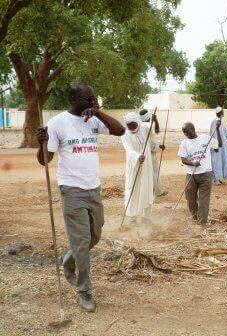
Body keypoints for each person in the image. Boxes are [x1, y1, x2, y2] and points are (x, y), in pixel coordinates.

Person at [36, 85, 125, 312]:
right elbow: (44, 160)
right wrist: (41, 144)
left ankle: (68, 260)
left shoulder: (93, 120)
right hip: (71, 189)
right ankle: (84, 291)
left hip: (93, 188)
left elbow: (120, 131)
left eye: (94, 97)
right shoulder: (58, 123)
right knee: (82, 242)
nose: (93, 101)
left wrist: (98, 112)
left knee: (95, 235)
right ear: (74, 99)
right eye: (89, 98)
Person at [178, 122, 219, 224]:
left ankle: (202, 223)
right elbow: (183, 160)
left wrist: (217, 129)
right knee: (190, 199)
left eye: (187, 130)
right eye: (184, 131)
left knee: (204, 200)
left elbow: (218, 145)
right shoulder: (184, 143)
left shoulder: (205, 138)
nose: (185, 133)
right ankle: (195, 217)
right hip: (191, 175)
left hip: (206, 174)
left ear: (193, 128)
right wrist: (192, 163)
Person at [121, 113, 154, 224]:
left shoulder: (144, 129)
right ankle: (132, 217)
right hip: (134, 165)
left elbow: (152, 127)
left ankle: (147, 217)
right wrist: (138, 156)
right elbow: (128, 150)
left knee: (146, 187)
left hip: (147, 165)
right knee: (133, 189)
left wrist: (155, 119)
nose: (131, 127)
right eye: (129, 125)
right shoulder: (125, 134)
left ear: (138, 122)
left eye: (133, 124)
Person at [139, 109, 168, 197]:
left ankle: (147, 191)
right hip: (149, 153)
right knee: (155, 171)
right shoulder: (148, 126)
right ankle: (159, 191)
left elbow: (150, 139)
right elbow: (157, 132)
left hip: (141, 153)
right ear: (149, 117)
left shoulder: (139, 126)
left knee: (145, 172)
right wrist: (156, 120)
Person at [210, 106, 227, 184]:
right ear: (220, 113)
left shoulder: (220, 121)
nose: (223, 113)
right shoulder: (215, 121)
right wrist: (216, 144)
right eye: (222, 111)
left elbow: (225, 133)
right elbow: (213, 134)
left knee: (222, 161)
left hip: (222, 146)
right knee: (216, 161)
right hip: (217, 145)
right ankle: (216, 179)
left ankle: (220, 177)